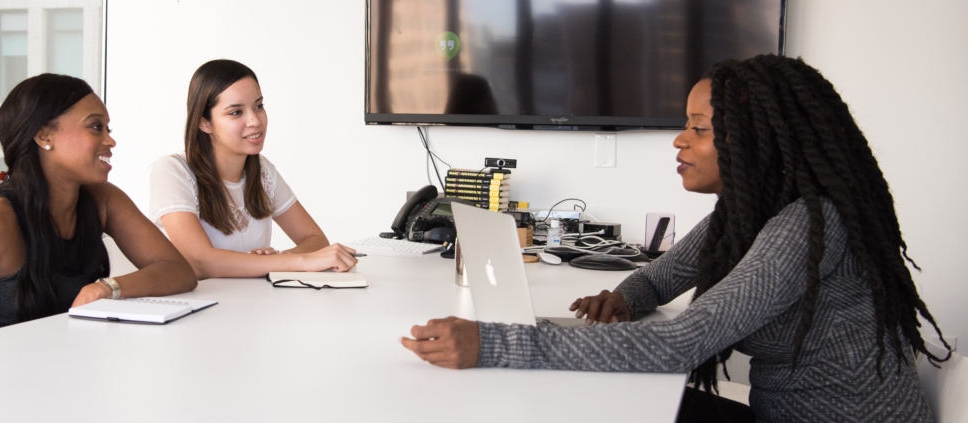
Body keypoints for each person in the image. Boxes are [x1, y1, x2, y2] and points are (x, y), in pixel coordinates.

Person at [399, 55, 951, 422]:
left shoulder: (808, 223)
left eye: (700, 127)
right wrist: (625, 299)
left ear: (758, 139)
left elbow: (679, 344)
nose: (680, 141)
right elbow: (662, 275)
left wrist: (492, 344)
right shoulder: (746, 214)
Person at [0, 74, 198, 353]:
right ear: (44, 136)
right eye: (95, 127)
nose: (110, 140)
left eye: (107, 128)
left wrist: (106, 287)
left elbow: (178, 271)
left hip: (60, 375)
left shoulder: (103, 200)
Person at [148, 59, 357, 279]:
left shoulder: (262, 170)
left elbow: (315, 239)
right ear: (204, 123)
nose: (255, 120)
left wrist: (275, 260)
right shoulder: (171, 171)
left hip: (254, 305)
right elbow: (200, 262)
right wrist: (290, 262)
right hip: (199, 308)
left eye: (258, 106)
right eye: (236, 112)